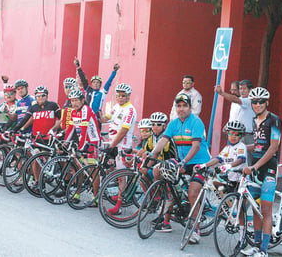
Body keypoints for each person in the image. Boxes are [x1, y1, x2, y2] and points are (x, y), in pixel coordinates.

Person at [150, 93, 210, 239]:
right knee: (157, 170)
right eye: (178, 106)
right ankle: (169, 202)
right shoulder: (173, 123)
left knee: (192, 193)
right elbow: (162, 142)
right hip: (181, 161)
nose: (181, 109)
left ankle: (195, 230)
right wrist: (151, 158)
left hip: (199, 162)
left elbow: (195, 147)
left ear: (190, 107)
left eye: (184, 106)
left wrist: (183, 162)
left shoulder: (196, 122)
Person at [241, 87, 281, 257]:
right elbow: (256, 145)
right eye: (254, 102)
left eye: (260, 102)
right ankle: (256, 246)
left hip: (269, 168)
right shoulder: (254, 120)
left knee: (265, 210)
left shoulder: (274, 120)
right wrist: (236, 148)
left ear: (267, 103)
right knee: (255, 208)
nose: (257, 105)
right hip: (255, 168)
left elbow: (273, 147)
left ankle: (264, 250)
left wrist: (255, 167)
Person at [100, 83, 137, 215]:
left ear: (128, 96)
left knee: (121, 177)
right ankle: (121, 193)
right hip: (113, 143)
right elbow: (105, 119)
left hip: (122, 146)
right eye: (118, 96)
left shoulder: (130, 110)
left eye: (123, 96)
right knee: (113, 170)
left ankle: (119, 206)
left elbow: (123, 131)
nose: (120, 98)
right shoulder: (116, 107)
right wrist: (99, 113)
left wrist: (112, 145)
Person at [65, 89, 101, 206]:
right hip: (83, 141)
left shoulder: (86, 109)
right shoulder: (74, 112)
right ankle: (77, 193)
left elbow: (84, 130)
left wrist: (80, 148)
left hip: (92, 142)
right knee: (77, 167)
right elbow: (71, 129)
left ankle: (95, 198)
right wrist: (65, 142)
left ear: (82, 100)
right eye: (72, 101)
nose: (74, 103)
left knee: (93, 170)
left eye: (76, 100)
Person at [215, 79, 256, 165]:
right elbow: (235, 116)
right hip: (234, 135)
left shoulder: (250, 100)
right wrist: (228, 125)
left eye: (244, 89)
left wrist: (222, 93)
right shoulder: (236, 101)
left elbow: (235, 99)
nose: (242, 91)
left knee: (246, 161)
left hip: (246, 136)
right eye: (240, 89)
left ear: (250, 90)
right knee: (232, 158)